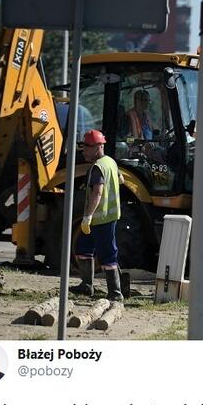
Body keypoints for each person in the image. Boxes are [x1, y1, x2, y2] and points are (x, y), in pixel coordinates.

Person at [72, 129, 124, 301]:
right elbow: (121, 179)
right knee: (82, 248)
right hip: (102, 218)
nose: (84, 150)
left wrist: (87, 216)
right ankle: (87, 286)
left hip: (102, 219)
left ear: (98, 147)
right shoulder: (110, 162)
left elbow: (97, 193)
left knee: (108, 254)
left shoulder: (98, 168)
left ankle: (115, 293)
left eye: (87, 147)